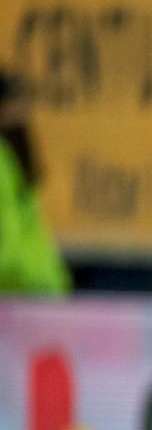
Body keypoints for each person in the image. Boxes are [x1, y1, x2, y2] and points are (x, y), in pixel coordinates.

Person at [0, 70, 72, 296]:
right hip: (18, 294)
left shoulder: (10, 157)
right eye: (15, 98)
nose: (24, 110)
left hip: (31, 294)